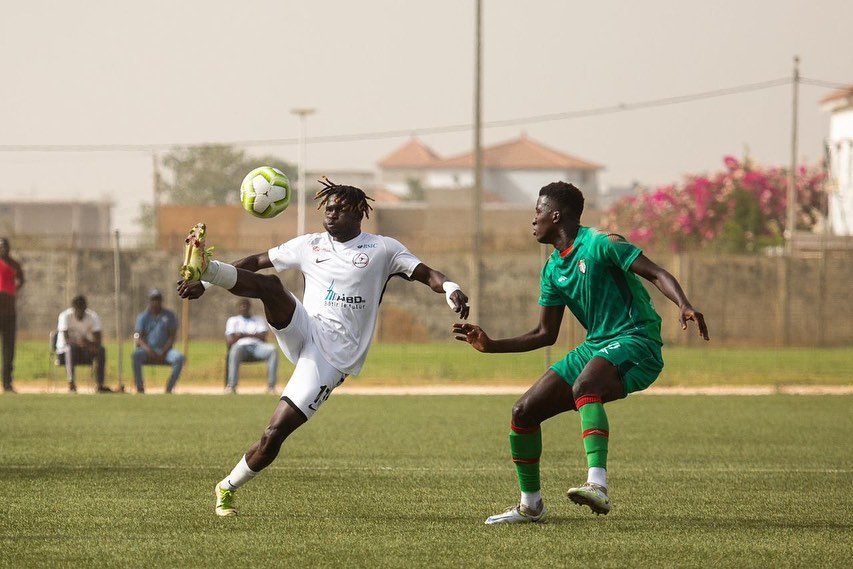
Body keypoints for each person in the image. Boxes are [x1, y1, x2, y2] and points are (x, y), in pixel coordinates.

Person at [177, 177, 470, 517]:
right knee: (272, 286)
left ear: (360, 212)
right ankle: (209, 267)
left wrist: (450, 288)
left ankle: (227, 486)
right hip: (304, 326)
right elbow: (256, 262)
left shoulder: (383, 249)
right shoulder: (310, 244)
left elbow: (427, 273)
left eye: (340, 209)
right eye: (328, 209)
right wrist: (205, 282)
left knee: (273, 434)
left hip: (331, 357)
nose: (331, 214)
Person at [452, 181, 709, 524]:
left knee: (585, 386)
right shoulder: (553, 270)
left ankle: (598, 485)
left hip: (637, 339)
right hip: (597, 345)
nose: (534, 220)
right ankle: (531, 506)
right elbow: (545, 334)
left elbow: (657, 273)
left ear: (555, 216)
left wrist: (685, 304)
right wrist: (491, 345)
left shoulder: (602, 244)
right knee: (523, 412)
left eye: (538, 212)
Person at [132, 288, 184, 394]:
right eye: (153, 299)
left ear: (161, 301)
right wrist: (149, 350)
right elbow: (139, 338)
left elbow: (172, 336)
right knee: (136, 356)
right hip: (148, 351)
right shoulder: (143, 317)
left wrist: (164, 351)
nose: (155, 302)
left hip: (166, 351)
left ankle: (169, 389)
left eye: (158, 299)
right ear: (149, 301)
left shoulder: (169, 316)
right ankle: (140, 388)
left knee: (179, 358)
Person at [56, 295, 111, 393]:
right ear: (74, 308)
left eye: (82, 309)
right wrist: (79, 343)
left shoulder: (92, 316)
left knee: (101, 350)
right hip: (64, 352)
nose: (80, 312)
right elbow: (66, 339)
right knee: (70, 349)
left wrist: (87, 343)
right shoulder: (65, 316)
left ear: (85, 308)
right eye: (78, 309)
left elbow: (98, 340)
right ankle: (71, 383)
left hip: (84, 350)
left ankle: (100, 385)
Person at [225, 298, 279, 394]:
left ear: (249, 307)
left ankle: (271, 386)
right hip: (241, 348)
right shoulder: (233, 320)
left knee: (272, 349)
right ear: (237, 308)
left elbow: (263, 337)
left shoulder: (258, 320)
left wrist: (242, 335)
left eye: (246, 305)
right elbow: (230, 340)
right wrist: (254, 334)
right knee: (235, 349)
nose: (243, 307)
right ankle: (232, 386)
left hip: (257, 347)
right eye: (241, 306)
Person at [0, 238, 24, 393]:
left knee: (9, 349)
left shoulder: (15, 264)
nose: (2, 249)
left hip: (9, 313)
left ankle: (7, 383)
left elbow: (21, 280)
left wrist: (12, 291)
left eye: (4, 246)